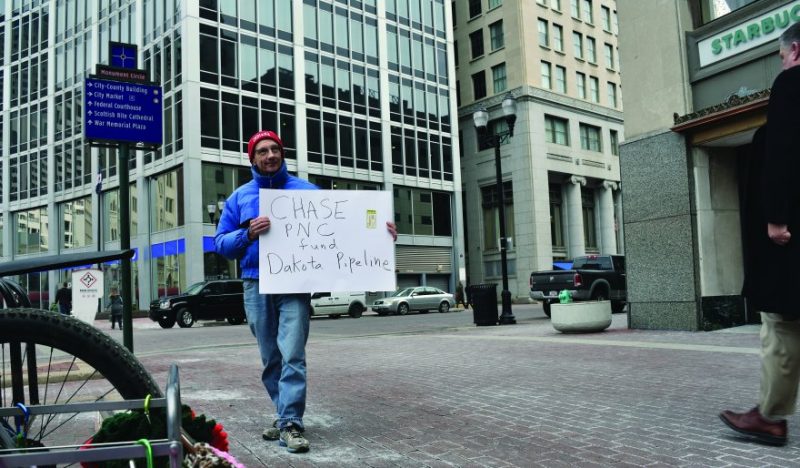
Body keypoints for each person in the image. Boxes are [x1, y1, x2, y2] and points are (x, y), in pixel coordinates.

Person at [215, 130, 397, 454]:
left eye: (275, 149)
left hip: (293, 285)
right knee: (270, 357)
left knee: (293, 353)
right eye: (262, 151)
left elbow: (342, 230)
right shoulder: (239, 197)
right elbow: (221, 244)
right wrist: (247, 234)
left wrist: (379, 236)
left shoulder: (307, 192)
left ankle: (290, 423)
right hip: (256, 283)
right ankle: (283, 413)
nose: (270, 155)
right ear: (252, 158)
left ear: (282, 154)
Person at [719, 23, 800, 447]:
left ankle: (769, 417)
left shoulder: (792, 83)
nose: (781, 61)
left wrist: (776, 217)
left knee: (782, 322)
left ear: (796, 49)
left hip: (792, 236)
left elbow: (784, 151)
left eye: (782, 53)